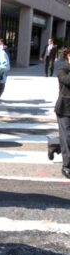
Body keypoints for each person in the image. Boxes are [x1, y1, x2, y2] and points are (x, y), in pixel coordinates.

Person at [55, 47, 70, 178]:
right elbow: (67, 81)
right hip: (64, 108)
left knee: (66, 138)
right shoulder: (62, 69)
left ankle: (54, 145)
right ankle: (67, 165)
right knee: (67, 137)